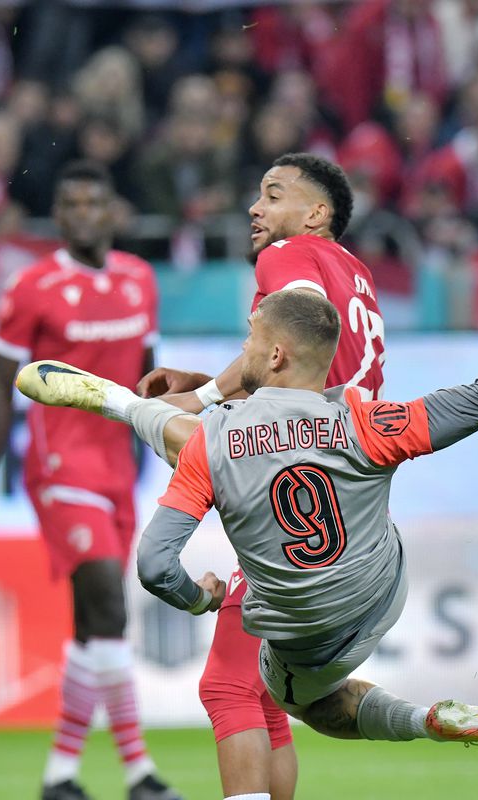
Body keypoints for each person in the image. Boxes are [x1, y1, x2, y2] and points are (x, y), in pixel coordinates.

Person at [17, 212, 478, 767]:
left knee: (292, 700)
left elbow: (153, 564)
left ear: (274, 353)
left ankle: (121, 404)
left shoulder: (214, 440)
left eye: (249, 338)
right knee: (223, 449)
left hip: (305, 630)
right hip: (379, 589)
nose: (242, 349)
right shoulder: (367, 418)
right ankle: (122, 404)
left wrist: (201, 599)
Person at [146, 153, 380, 800]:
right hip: (344, 488)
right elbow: (296, 366)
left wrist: (199, 406)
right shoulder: (356, 274)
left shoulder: (287, 256)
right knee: (264, 693)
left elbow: (296, 339)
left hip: (297, 487)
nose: (257, 208)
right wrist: (212, 389)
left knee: (226, 685)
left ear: (316, 214)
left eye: (274, 195)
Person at [0, 161, 180, 800]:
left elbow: (150, 378)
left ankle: (60, 774)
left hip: (118, 469)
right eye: (73, 203)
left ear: (112, 210)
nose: (85, 213)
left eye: (96, 202)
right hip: (60, 469)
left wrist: (172, 446)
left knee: (93, 626)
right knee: (111, 609)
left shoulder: (140, 280)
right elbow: (2, 392)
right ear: (58, 216)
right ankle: (140, 772)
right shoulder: (31, 287)